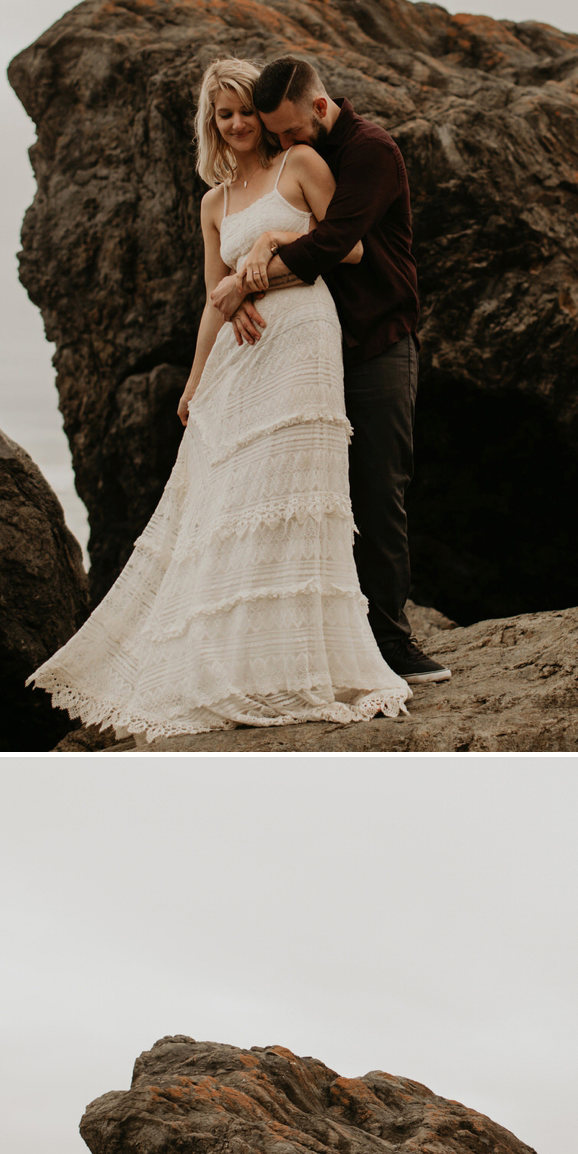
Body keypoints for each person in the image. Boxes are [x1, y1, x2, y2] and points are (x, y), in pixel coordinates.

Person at [28, 61, 411, 740]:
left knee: (293, 491)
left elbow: (348, 249)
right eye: (223, 114)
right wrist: (195, 378)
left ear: (265, 116)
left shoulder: (300, 162)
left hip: (301, 333)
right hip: (242, 352)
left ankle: (306, 654)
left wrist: (270, 245)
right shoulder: (213, 202)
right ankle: (235, 657)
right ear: (211, 123)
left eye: (243, 111)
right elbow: (214, 296)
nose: (236, 124)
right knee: (232, 497)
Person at [213, 52, 450, 693]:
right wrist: (259, 249)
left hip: (378, 339)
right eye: (276, 135)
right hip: (313, 350)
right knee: (310, 498)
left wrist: (252, 268)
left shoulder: (371, 150)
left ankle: (392, 644)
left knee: (378, 491)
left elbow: (336, 241)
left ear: (320, 107)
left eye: (290, 131)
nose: (283, 144)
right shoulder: (301, 153)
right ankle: (316, 642)